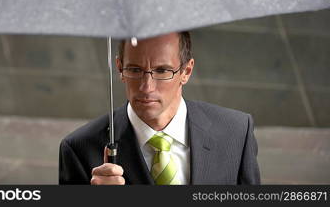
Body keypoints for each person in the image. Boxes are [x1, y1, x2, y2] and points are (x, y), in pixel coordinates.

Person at [59, 32, 260, 185]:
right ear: (120, 68)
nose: (147, 87)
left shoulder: (236, 132)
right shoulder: (79, 149)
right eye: (135, 70)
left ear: (186, 71)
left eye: (162, 70)